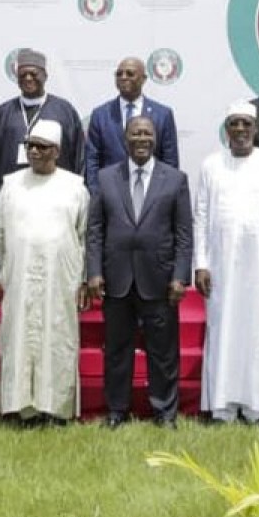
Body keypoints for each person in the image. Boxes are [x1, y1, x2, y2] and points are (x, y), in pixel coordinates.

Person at [86, 115, 193, 428]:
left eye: (147, 133)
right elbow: (95, 230)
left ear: (156, 138)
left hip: (159, 280)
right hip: (116, 279)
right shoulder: (106, 178)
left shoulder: (175, 178)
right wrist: (94, 272)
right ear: (125, 138)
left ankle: (165, 412)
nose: (142, 139)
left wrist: (179, 276)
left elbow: (184, 233)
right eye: (136, 134)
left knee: (163, 351)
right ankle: (117, 410)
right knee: (117, 350)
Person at [193, 101, 259, 424]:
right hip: (221, 265)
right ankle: (222, 406)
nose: (241, 130)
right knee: (223, 332)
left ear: (256, 129)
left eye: (247, 124)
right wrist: (201, 263)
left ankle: (257, 407)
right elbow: (201, 216)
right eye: (234, 124)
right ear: (226, 129)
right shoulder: (211, 165)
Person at [0, 120, 90, 426]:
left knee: (56, 338)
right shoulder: (11, 183)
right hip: (18, 275)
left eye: (41, 147)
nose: (34, 152)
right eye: (30, 146)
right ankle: (19, 408)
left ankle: (55, 409)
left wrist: (84, 280)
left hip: (60, 278)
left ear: (57, 151)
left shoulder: (75, 186)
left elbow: (84, 236)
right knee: (18, 336)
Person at [0, 48, 85, 194]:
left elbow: (79, 157)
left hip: (57, 194)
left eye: (33, 73)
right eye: (23, 74)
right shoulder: (3, 113)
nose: (28, 78)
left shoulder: (65, 111)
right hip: (13, 194)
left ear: (45, 76)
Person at [83, 56, 180, 189]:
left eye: (130, 73)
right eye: (119, 74)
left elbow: (170, 161)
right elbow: (92, 160)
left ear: (143, 79)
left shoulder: (162, 114)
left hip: (151, 195)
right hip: (111, 194)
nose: (123, 77)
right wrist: (97, 194)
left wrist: (164, 196)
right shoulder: (100, 114)